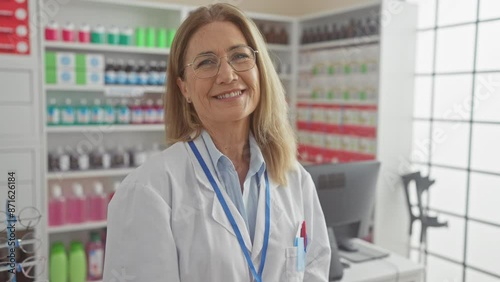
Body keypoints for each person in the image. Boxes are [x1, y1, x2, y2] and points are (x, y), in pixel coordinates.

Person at [103, 3, 331, 282]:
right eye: (206, 62)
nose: (227, 75)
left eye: (239, 56)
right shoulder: (149, 190)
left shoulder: (295, 178)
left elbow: (315, 268)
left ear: (259, 70)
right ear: (184, 87)